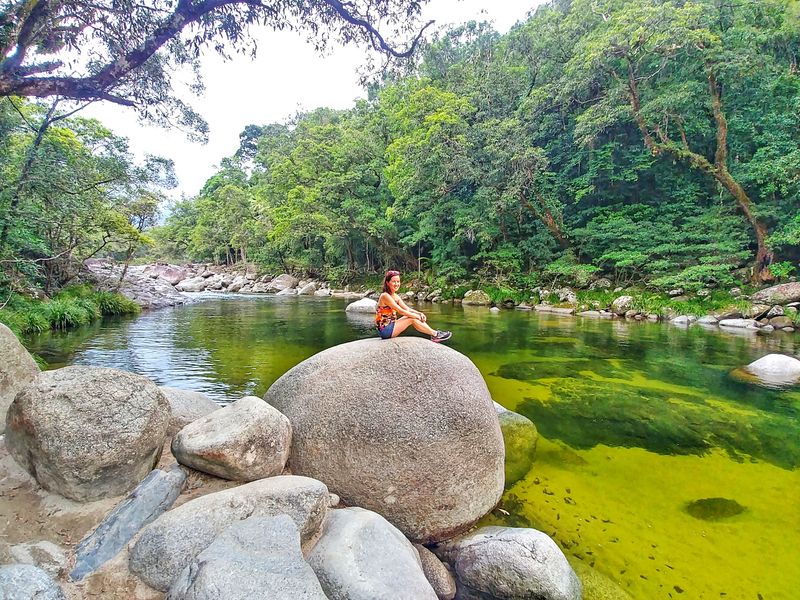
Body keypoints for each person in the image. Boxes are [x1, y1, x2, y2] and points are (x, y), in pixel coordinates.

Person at [375, 270, 452, 342]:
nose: (396, 284)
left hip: (391, 325)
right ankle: (435, 334)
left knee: (413, 317)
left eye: (398, 281)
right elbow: (400, 311)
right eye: (394, 281)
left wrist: (419, 313)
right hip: (385, 330)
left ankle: (434, 334)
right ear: (388, 283)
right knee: (412, 319)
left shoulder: (395, 296)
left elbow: (407, 309)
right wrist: (415, 316)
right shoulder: (385, 296)